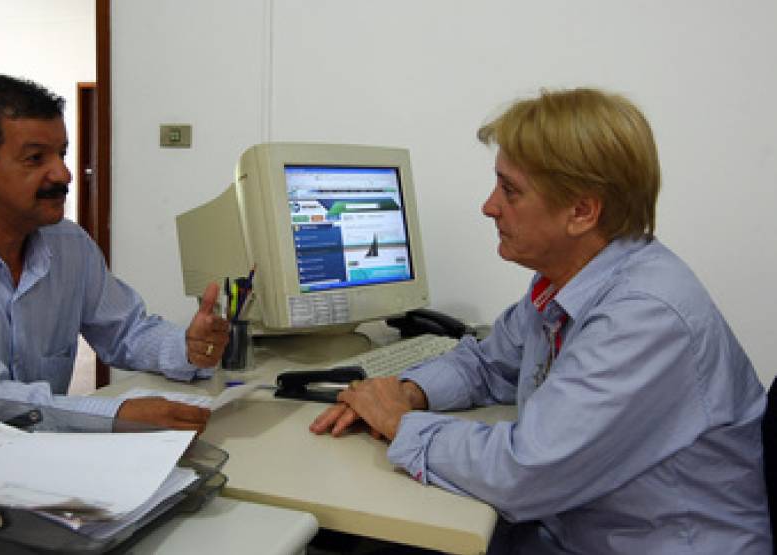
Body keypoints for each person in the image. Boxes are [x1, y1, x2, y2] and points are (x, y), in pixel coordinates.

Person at [310, 88, 772, 553]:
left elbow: (522, 473)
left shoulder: (644, 315)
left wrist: (399, 421)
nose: (489, 206)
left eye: (510, 190)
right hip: (572, 529)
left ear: (581, 212)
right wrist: (410, 390)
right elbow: (490, 365)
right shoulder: (568, 283)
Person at [0, 74, 229, 433]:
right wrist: (112, 414)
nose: (64, 174)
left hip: (28, 456)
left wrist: (187, 347)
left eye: (62, 153)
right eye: (36, 158)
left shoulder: (68, 243)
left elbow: (126, 332)